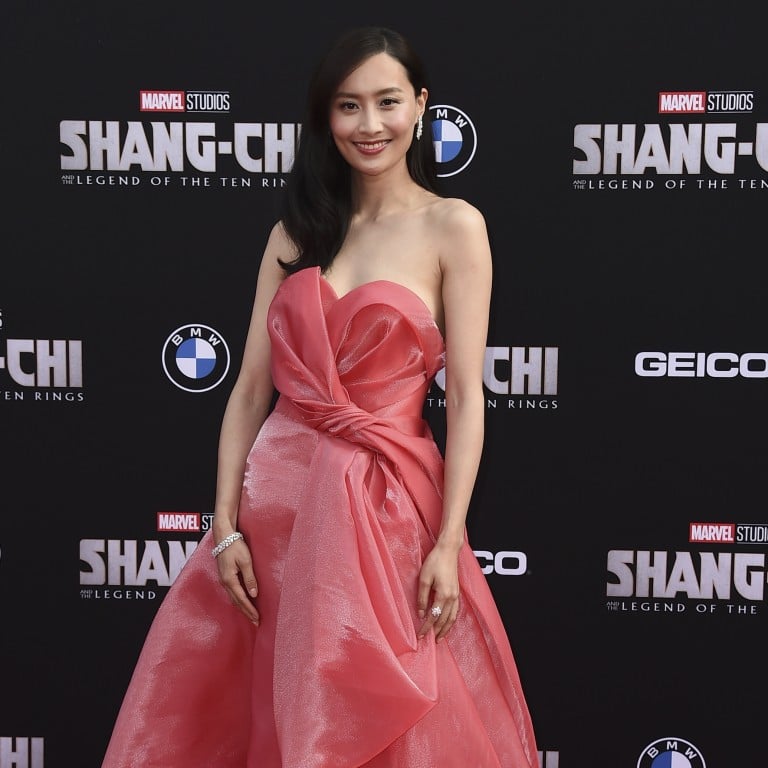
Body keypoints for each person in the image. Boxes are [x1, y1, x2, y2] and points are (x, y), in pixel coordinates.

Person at [102, 25, 538, 768]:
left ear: (422, 106)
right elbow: (246, 391)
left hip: (386, 509)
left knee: (382, 704)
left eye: (387, 103)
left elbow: (466, 396)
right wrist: (226, 527)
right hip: (276, 510)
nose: (369, 126)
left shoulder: (453, 226)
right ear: (325, 118)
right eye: (348, 107)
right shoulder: (295, 232)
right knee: (261, 708)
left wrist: (448, 540)